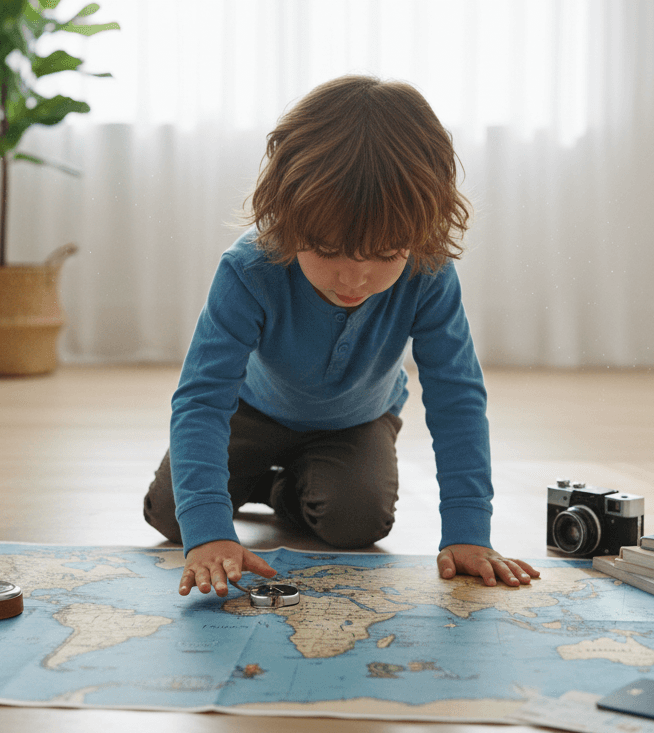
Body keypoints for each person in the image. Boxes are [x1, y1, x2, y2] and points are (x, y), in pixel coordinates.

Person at [143, 74, 540, 598]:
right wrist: (209, 530)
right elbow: (201, 398)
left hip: (355, 420)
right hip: (251, 411)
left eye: (386, 254)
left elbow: (457, 395)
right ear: (286, 215)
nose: (353, 280)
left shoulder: (429, 272)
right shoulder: (248, 269)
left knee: (357, 522)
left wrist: (468, 529)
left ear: (420, 232)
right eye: (328, 251)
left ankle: (283, 489)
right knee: (173, 515)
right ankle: (254, 479)